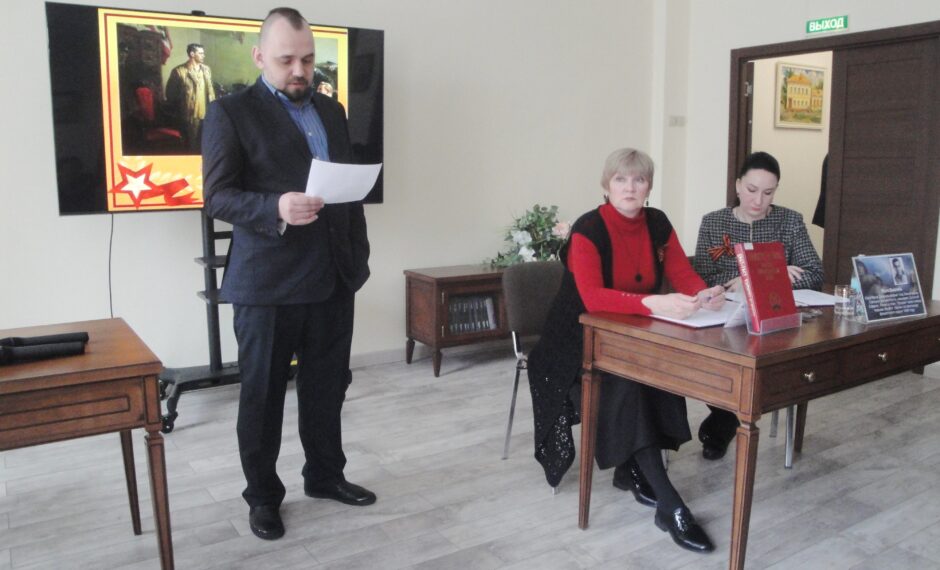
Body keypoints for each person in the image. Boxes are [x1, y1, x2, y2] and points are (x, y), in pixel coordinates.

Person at [201, 7, 373, 541]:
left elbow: (343, 186)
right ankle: (262, 498)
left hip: (333, 277)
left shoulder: (332, 110)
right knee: (263, 397)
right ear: (259, 57)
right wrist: (274, 206)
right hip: (268, 286)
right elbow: (217, 197)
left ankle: (324, 475)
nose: (299, 70)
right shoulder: (229, 112)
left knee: (327, 388)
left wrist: (358, 256)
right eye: (285, 60)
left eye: (307, 59)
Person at [528, 148, 726, 554]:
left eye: (639, 179)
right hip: (574, 339)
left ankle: (631, 469)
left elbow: (681, 272)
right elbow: (593, 297)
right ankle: (670, 503)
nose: (630, 187)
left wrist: (703, 293)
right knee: (626, 384)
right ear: (607, 185)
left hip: (631, 332)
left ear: (649, 186)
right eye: (621, 179)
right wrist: (655, 303)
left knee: (660, 371)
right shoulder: (588, 229)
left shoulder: (658, 222)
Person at [692, 151, 823, 460]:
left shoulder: (789, 221)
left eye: (768, 193)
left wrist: (765, 277)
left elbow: (815, 274)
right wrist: (746, 278)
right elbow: (702, 276)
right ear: (738, 185)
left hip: (774, 321)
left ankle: (727, 418)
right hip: (725, 319)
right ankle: (727, 414)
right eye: (751, 190)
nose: (758, 200)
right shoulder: (714, 222)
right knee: (716, 357)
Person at [165, 43, 216, 152]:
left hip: (206, 115)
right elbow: (170, 95)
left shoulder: (206, 70)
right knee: (191, 147)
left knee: (206, 146)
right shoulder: (179, 71)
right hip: (189, 117)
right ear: (192, 54)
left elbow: (210, 91)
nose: (203, 55)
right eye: (200, 53)